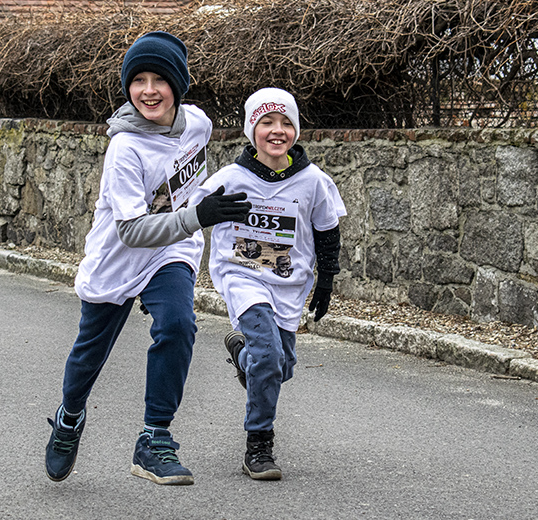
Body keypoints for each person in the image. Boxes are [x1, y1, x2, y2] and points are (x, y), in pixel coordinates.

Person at [44, 31, 251, 486]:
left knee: (178, 325)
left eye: (160, 78)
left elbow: (192, 182)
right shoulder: (125, 149)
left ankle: (154, 438)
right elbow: (132, 230)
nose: (149, 90)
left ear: (179, 85)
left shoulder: (198, 124)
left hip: (171, 250)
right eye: (138, 80)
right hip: (119, 255)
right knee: (88, 355)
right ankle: (69, 417)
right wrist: (199, 215)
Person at [190, 87, 346, 480]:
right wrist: (205, 215)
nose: (277, 131)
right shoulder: (230, 178)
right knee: (269, 359)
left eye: (286, 123)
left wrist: (325, 280)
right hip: (242, 277)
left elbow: (327, 230)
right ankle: (257, 446)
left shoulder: (313, 181)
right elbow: (191, 216)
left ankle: (243, 354)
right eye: (267, 123)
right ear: (251, 129)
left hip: (288, 285)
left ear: (296, 130)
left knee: (280, 366)